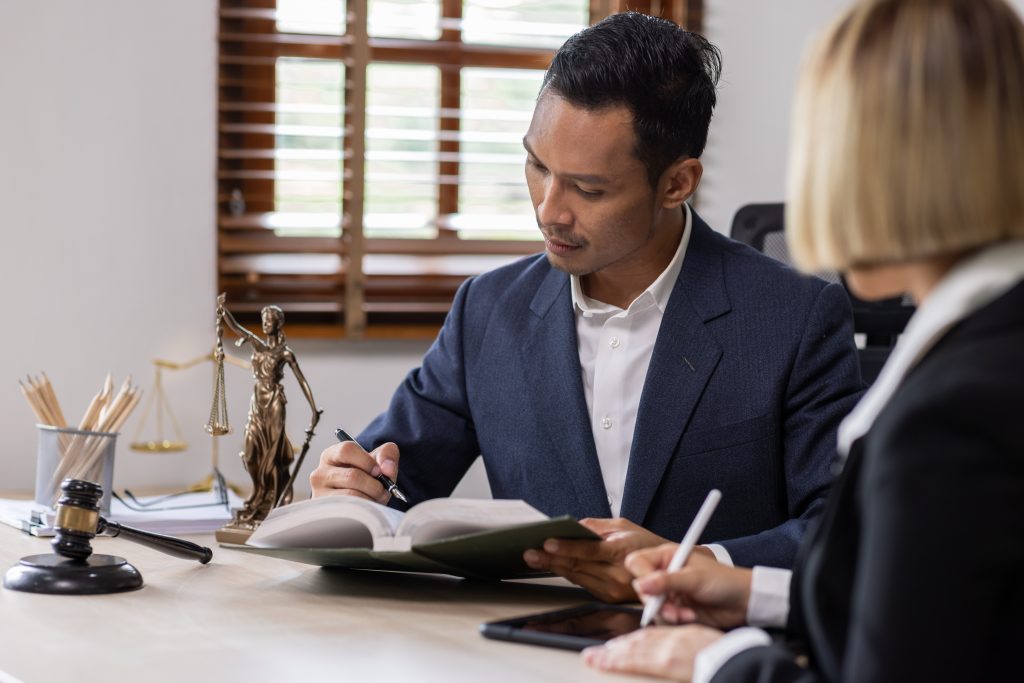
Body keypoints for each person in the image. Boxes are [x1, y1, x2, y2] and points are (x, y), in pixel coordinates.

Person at [310, 12, 864, 601]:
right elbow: (394, 484)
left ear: (677, 183)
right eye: (537, 166)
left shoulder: (795, 316)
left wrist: (694, 565)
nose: (550, 210)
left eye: (589, 189)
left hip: (710, 652)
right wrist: (352, 489)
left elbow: (842, 531)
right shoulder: (487, 309)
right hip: (526, 647)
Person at [582, 0, 1024, 679]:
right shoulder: (991, 341)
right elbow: (953, 613)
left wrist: (717, 661)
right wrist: (751, 592)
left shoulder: (953, 412)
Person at [217, 295, 321, 528]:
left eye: (269, 319)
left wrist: (313, 408)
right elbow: (236, 328)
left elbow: (302, 380)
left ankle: (274, 504)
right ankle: (258, 496)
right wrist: (223, 311)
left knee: (273, 456)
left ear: (278, 323)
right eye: (263, 319)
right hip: (257, 403)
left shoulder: (285, 353)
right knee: (252, 452)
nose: (265, 323)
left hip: (275, 402)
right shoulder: (256, 343)